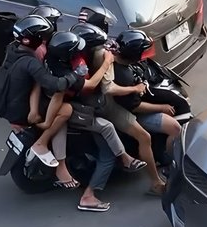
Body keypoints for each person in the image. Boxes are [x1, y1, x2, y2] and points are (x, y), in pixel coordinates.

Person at [45, 31, 147, 212]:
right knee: (107, 150)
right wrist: (107, 62)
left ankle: (125, 158)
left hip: (68, 106)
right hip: (70, 109)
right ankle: (89, 196)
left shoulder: (53, 59)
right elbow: (92, 85)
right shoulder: (69, 72)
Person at [71, 20, 167, 196]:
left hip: (89, 101)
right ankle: (155, 182)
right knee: (144, 136)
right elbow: (109, 88)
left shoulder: (80, 56)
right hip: (105, 103)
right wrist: (135, 88)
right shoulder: (101, 55)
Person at [2, 15, 80, 173]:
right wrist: (75, 74)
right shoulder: (35, 57)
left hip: (16, 103)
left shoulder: (13, 49)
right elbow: (57, 85)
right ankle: (47, 147)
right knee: (66, 108)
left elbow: (37, 82)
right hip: (27, 104)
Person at [111, 30, 182, 195]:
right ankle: (158, 180)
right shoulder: (123, 76)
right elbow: (135, 106)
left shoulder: (121, 61)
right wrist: (162, 107)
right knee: (171, 129)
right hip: (133, 113)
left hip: (134, 102)